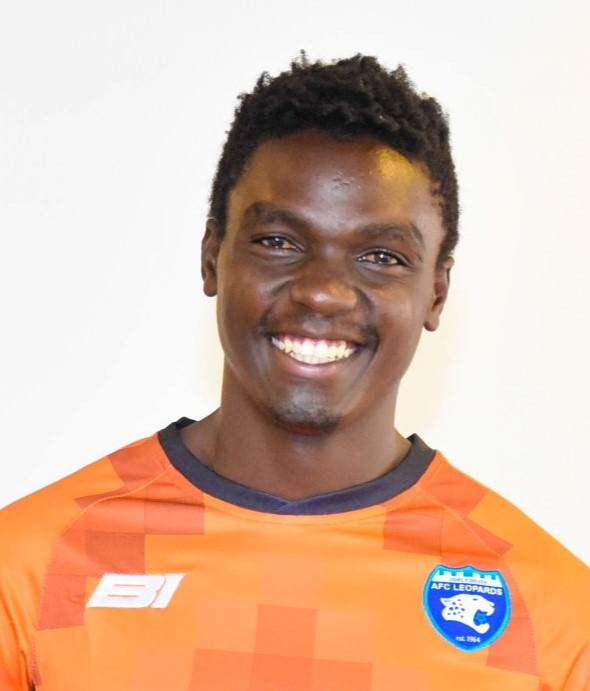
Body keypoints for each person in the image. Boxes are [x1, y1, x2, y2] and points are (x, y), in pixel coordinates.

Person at [0, 54, 588, 691]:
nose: (323, 292)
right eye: (279, 242)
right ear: (212, 258)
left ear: (436, 296)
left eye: (382, 256)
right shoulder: (33, 567)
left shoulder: (551, 613)